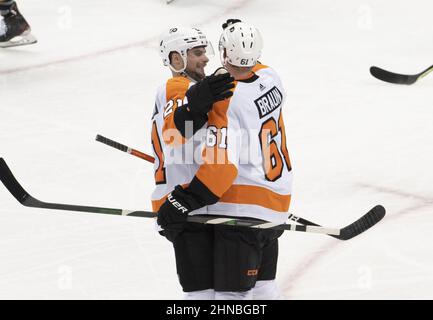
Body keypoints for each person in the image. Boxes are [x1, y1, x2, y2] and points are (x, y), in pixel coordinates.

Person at [154, 20, 292, 300]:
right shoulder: (269, 78)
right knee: (255, 292)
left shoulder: (220, 95)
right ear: (176, 58)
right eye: (196, 52)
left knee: (223, 298)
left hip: (223, 206)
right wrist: (195, 107)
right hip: (227, 207)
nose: (206, 57)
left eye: (206, 50)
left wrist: (186, 199)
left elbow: (214, 159)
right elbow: (175, 136)